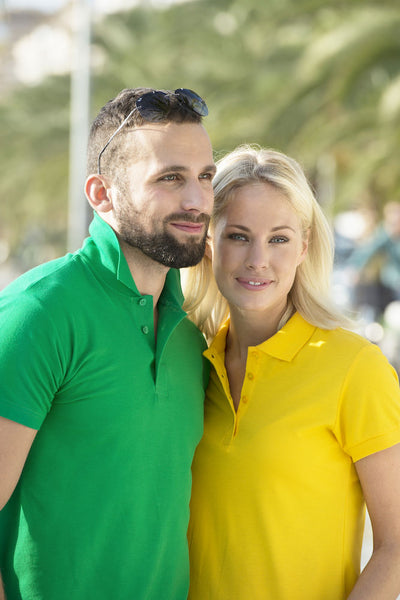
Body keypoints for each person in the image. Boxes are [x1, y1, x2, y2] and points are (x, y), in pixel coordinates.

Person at [0, 87, 216, 600]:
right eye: (170, 178)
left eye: (205, 176)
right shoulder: (39, 313)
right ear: (102, 195)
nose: (197, 200)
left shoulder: (193, 333)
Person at [183, 145, 400, 599]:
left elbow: (395, 547)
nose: (258, 259)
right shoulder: (188, 362)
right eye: (238, 236)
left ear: (304, 246)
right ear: (208, 244)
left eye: (278, 239)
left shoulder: (354, 368)